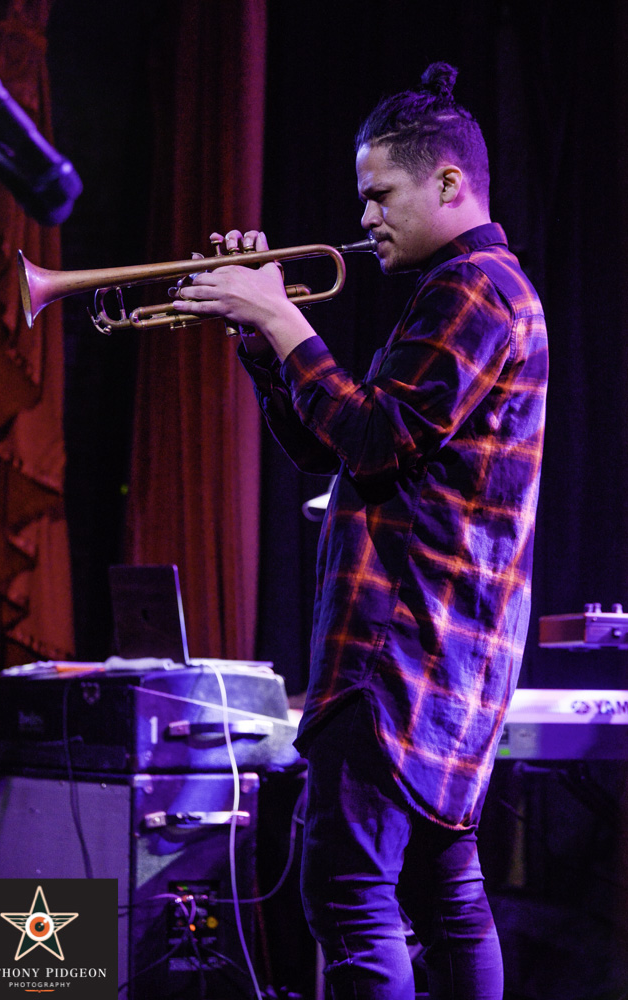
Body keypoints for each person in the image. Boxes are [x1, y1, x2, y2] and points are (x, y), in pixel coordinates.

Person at [176, 62, 548, 1000]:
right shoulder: (472, 289)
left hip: (398, 660)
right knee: (444, 897)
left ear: (448, 183)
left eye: (380, 194)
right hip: (439, 664)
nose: (366, 217)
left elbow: (376, 438)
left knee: (345, 898)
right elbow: (330, 446)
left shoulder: (473, 290)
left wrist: (285, 323)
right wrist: (268, 338)